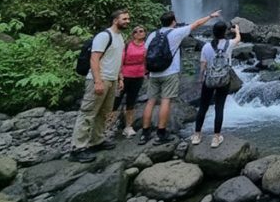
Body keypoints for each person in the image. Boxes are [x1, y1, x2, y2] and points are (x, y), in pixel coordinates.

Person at [139, 9, 221, 145]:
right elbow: (196, 24)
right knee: (166, 100)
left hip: (153, 73)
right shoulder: (176, 32)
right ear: (173, 22)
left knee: (151, 101)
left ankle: (145, 133)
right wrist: (211, 16)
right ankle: (161, 133)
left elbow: (145, 54)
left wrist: (146, 70)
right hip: (170, 72)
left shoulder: (153, 34)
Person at [69, 9, 130, 163]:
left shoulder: (120, 37)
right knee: (88, 113)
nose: (127, 21)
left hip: (112, 79)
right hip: (99, 79)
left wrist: (120, 77)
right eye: (124, 19)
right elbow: (94, 59)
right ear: (115, 20)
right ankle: (77, 148)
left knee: (104, 112)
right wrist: (97, 81)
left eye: (128, 19)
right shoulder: (104, 36)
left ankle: (97, 141)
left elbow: (115, 60)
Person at [192, 21, 242, 148]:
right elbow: (238, 39)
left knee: (203, 107)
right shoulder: (229, 44)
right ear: (225, 32)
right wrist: (236, 30)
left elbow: (203, 65)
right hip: (224, 80)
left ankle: (197, 135)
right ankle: (216, 137)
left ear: (213, 33)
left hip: (209, 79)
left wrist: (200, 79)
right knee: (219, 108)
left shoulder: (206, 47)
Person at [111, 25, 147, 138]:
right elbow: (120, 61)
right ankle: (107, 125)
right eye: (139, 31)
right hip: (125, 76)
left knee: (131, 101)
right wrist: (120, 77)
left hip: (139, 76)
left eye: (143, 31)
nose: (142, 33)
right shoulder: (127, 46)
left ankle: (128, 126)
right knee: (116, 101)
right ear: (134, 34)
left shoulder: (146, 46)